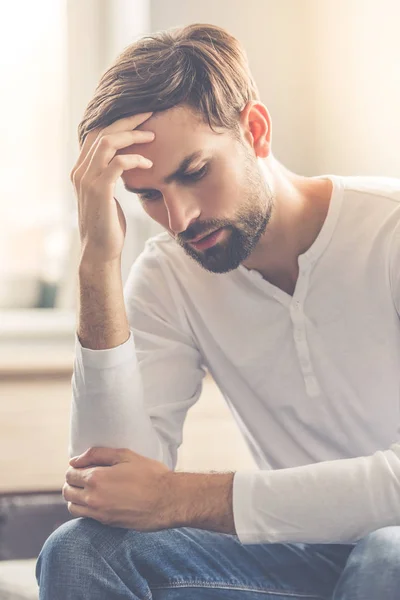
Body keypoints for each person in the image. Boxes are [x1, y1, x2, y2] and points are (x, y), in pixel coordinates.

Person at [36, 22, 400, 599]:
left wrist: (183, 496)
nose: (179, 219)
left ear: (254, 130)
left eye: (195, 173)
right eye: (149, 194)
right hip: (305, 556)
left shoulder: (391, 230)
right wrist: (98, 262)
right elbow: (112, 485)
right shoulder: (169, 274)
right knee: (81, 549)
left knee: (389, 550)